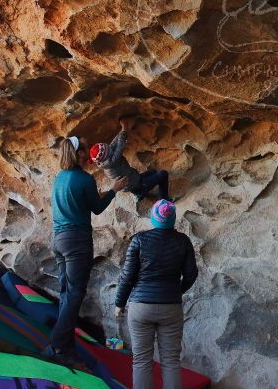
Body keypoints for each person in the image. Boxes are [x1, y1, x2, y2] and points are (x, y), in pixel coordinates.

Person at [42, 135, 128, 364]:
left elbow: (79, 202)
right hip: (76, 241)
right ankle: (57, 347)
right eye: (86, 147)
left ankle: (65, 346)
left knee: (66, 292)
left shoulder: (60, 177)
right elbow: (97, 208)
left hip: (58, 239)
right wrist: (114, 189)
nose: (89, 150)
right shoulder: (84, 179)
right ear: (79, 153)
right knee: (75, 293)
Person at [114, 199, 198, 389]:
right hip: (171, 308)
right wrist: (176, 292)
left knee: (142, 360)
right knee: (171, 361)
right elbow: (191, 275)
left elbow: (127, 277)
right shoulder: (183, 241)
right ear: (173, 219)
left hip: (140, 307)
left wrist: (119, 303)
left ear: (154, 218)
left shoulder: (139, 240)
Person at [90, 116, 170, 202]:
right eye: (108, 149)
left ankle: (140, 193)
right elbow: (120, 145)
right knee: (163, 174)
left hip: (132, 181)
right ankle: (165, 201)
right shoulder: (113, 161)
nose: (110, 147)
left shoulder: (104, 160)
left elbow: (113, 144)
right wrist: (124, 127)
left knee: (153, 172)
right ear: (107, 154)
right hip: (135, 184)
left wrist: (123, 130)